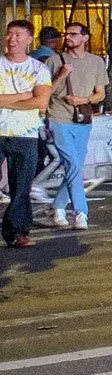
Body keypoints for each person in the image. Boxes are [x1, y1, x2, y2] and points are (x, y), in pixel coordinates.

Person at [45, 21, 107, 232]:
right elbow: (45, 92)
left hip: (82, 120)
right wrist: (61, 74)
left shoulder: (96, 62)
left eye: (73, 34)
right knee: (72, 164)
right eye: (67, 33)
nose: (68, 37)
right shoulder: (55, 61)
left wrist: (83, 100)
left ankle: (58, 207)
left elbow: (101, 93)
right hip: (58, 118)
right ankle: (81, 212)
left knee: (75, 166)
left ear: (85, 37)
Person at [0, 21, 52, 250]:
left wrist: (6, 100)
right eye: (9, 34)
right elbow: (31, 100)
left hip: (26, 135)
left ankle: (17, 232)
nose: (12, 39)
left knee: (21, 186)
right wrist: (22, 96)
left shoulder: (38, 69)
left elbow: (41, 101)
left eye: (18, 35)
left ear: (29, 39)